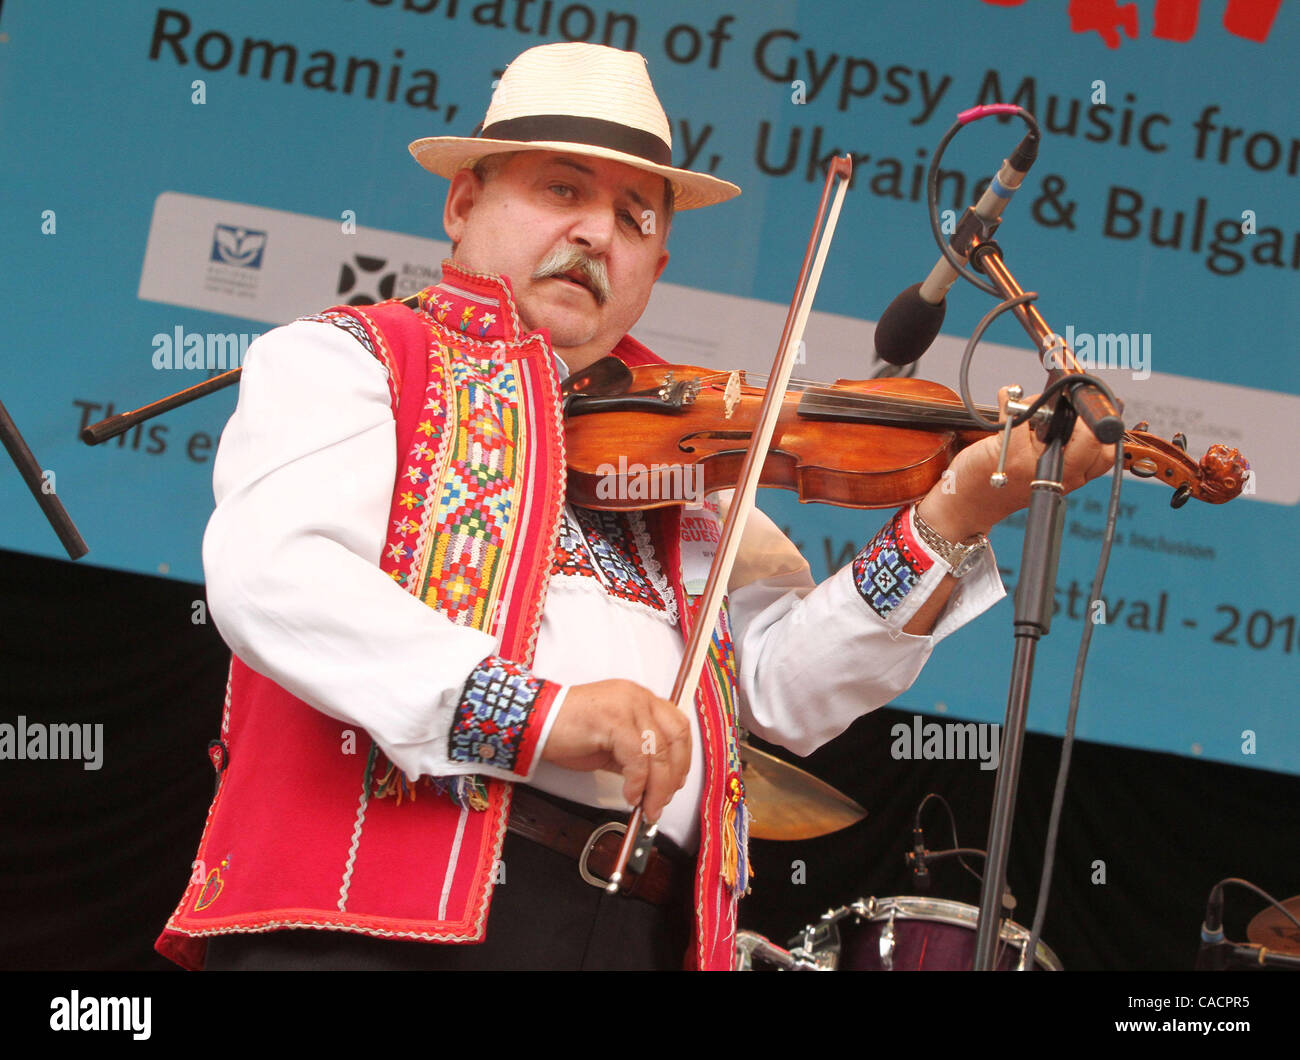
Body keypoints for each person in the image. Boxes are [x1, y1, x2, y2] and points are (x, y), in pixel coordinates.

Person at [155, 42, 1112, 971]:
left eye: (636, 217)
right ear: (463, 202)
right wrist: (537, 715)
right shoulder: (357, 359)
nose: (597, 233)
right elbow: (273, 576)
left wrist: (953, 517)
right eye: (562, 190)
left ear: (656, 268)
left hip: (633, 928)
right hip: (377, 921)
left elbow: (776, 690)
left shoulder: (690, 444)